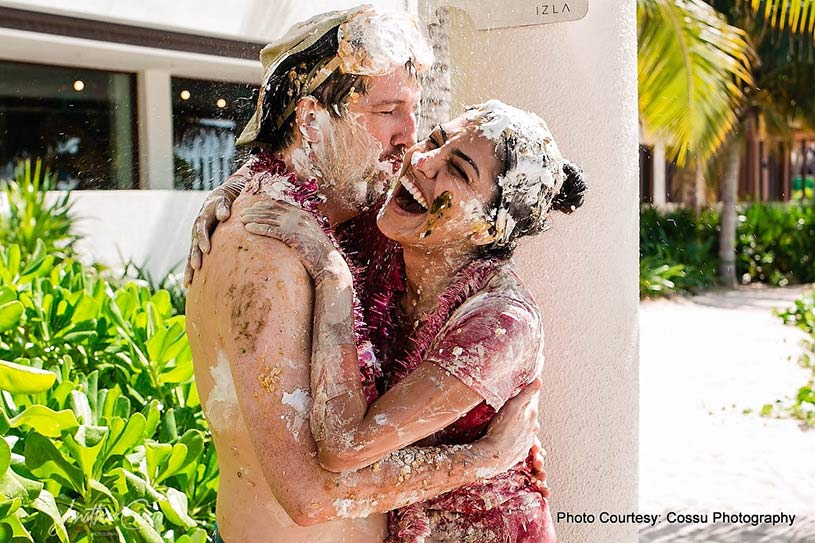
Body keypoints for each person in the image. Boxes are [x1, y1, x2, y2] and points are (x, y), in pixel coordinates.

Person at [184, 8, 546, 543]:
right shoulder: (268, 257)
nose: (411, 138)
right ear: (310, 122)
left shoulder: (342, 224)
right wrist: (486, 456)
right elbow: (309, 497)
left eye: (414, 110)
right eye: (388, 111)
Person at [239, 99, 587, 542]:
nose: (421, 161)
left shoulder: (501, 323)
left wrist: (331, 273)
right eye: (435, 140)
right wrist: (229, 195)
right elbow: (285, 172)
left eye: (458, 171)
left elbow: (344, 445)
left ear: (489, 227)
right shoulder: (393, 230)